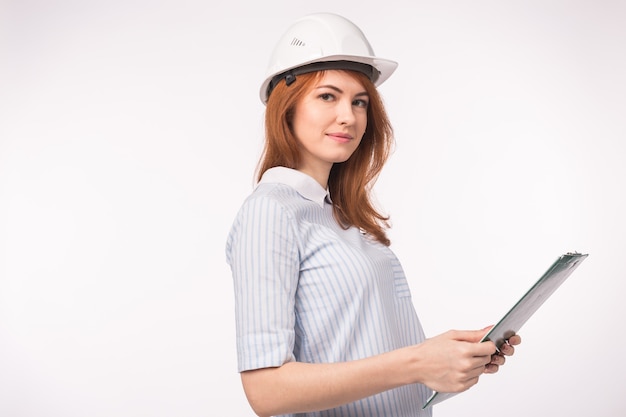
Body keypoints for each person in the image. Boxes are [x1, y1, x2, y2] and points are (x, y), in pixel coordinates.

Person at [225, 12, 521, 417]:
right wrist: (418, 362)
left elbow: (365, 347)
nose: (349, 116)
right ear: (286, 107)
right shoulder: (270, 212)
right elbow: (266, 390)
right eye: (328, 96)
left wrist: (448, 360)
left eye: (359, 101)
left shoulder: (341, 218)